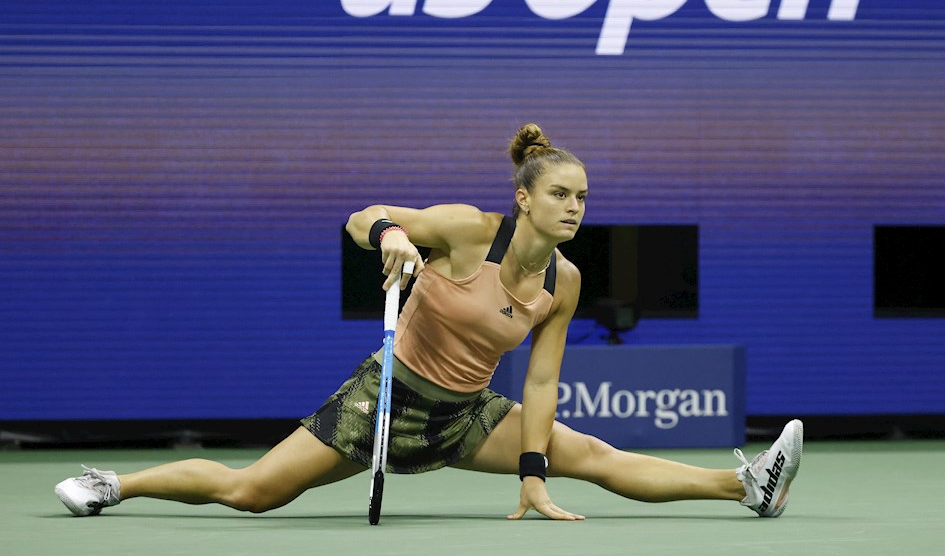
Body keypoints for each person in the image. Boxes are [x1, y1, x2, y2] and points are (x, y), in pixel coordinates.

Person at [55, 123, 803, 520]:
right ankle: (116, 482)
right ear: (525, 198)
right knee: (252, 492)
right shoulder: (467, 230)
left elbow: (542, 382)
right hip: (386, 397)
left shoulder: (562, 280)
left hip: (466, 413)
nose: (576, 206)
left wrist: (534, 474)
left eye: (584, 196)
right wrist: (391, 233)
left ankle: (746, 487)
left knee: (594, 453)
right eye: (563, 194)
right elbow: (361, 215)